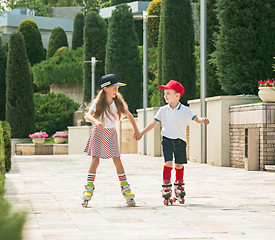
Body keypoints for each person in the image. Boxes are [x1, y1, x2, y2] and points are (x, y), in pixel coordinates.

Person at [137, 80, 209, 205]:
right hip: (167, 140)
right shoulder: (163, 110)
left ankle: (179, 185)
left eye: (168, 93)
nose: (165, 95)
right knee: (168, 163)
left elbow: (195, 118)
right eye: (165, 93)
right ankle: (166, 185)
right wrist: (141, 133)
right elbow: (153, 123)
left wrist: (202, 120)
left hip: (180, 141)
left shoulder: (185, 110)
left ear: (177, 95)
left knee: (179, 165)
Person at [82, 74, 140, 207]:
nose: (116, 90)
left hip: (111, 133)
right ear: (106, 89)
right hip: (98, 133)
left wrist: (136, 130)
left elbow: (129, 115)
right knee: (95, 160)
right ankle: (88, 188)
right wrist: (96, 121)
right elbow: (87, 116)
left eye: (117, 88)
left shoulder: (117, 103)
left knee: (117, 159)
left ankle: (125, 188)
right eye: (114, 88)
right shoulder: (98, 102)